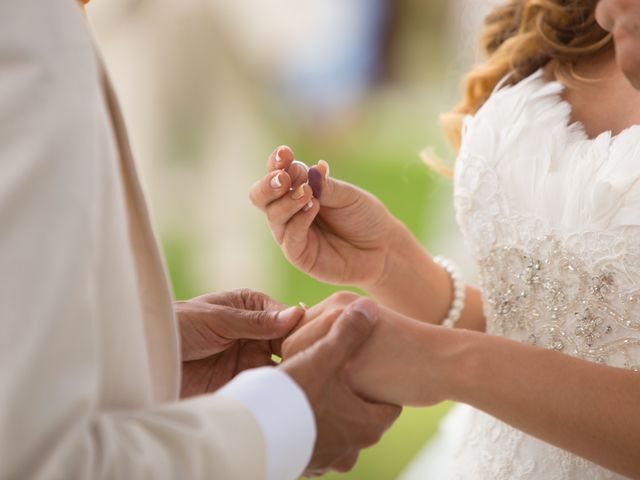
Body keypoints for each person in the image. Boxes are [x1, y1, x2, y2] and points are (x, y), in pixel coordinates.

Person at [0, 1, 402, 479]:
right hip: (150, 25)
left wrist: (143, 350)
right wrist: (282, 420)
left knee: (232, 150)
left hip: (219, 25)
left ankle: (232, 263)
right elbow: (36, 460)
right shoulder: (29, 40)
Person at [250, 0, 640, 478]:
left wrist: (448, 363)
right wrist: (390, 262)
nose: (605, 12)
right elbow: (549, 330)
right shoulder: (577, 18)